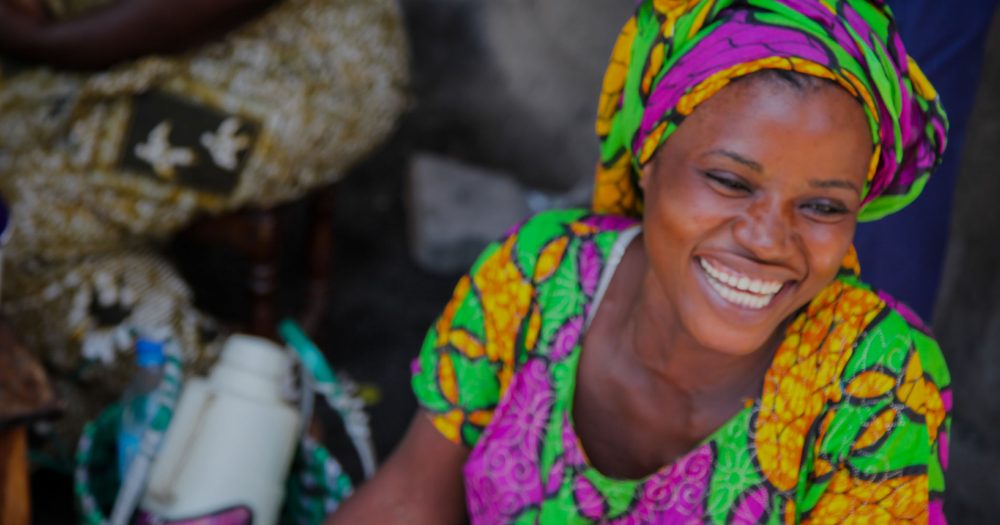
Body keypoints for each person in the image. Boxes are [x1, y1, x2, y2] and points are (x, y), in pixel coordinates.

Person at [327, 0, 951, 523]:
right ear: (649, 159)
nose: (767, 240)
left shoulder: (876, 391)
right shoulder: (541, 275)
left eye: (821, 205)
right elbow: (409, 497)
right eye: (730, 181)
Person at [0, 0, 408, 460]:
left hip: (299, 62)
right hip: (131, 34)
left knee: (23, 210)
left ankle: (228, 421)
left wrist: (32, 36)